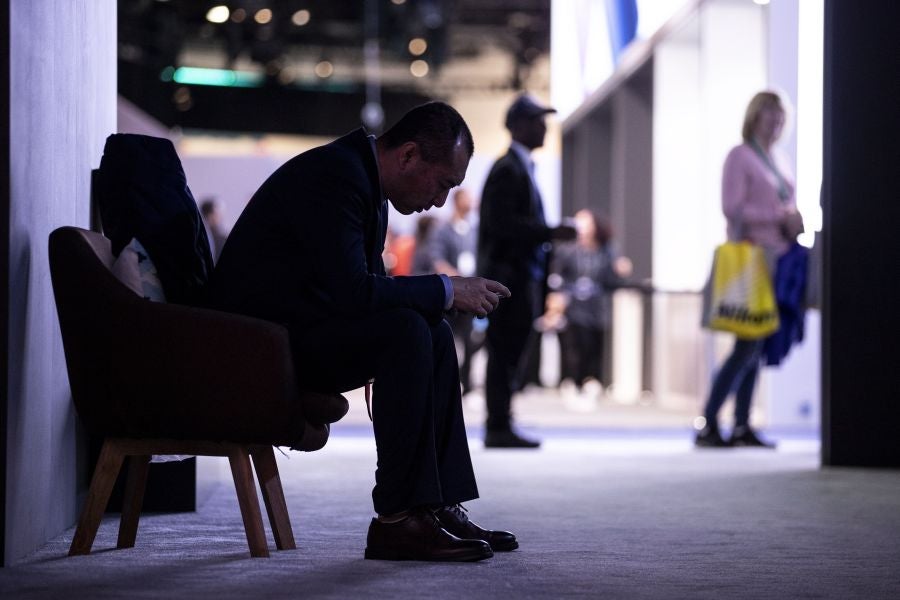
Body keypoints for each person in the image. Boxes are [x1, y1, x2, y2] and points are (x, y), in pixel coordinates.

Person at [209, 102, 516, 562]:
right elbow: (354, 293)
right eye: (443, 183)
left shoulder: (360, 176)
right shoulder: (337, 177)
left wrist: (440, 297)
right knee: (408, 330)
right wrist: (447, 288)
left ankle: (434, 505)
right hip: (260, 348)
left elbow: (358, 291)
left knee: (429, 328)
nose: (440, 201)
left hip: (291, 332)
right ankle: (397, 521)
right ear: (409, 156)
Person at [695, 91, 804, 449]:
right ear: (754, 117)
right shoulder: (740, 156)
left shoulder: (779, 159)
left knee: (757, 345)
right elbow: (732, 208)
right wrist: (779, 217)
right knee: (747, 343)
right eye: (769, 115)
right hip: (752, 260)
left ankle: (742, 424)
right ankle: (709, 422)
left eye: (780, 116)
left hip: (779, 259)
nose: (775, 122)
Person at [477, 94, 577, 448]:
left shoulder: (519, 168)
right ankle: (498, 425)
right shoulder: (508, 169)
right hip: (509, 279)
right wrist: (551, 231)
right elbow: (502, 225)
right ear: (517, 126)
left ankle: (502, 422)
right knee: (504, 351)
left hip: (518, 278)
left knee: (509, 352)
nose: (544, 127)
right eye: (537, 121)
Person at [550, 209, 631, 400]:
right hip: (573, 307)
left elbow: (612, 281)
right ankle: (573, 381)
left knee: (594, 346)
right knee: (574, 346)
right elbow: (558, 276)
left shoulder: (607, 250)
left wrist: (620, 271)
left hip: (597, 307)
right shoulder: (567, 249)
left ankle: (592, 380)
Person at [427, 188, 482, 395]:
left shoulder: (474, 230)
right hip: (451, 293)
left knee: (471, 340)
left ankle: (467, 384)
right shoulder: (443, 229)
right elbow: (437, 259)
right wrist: (455, 279)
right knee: (446, 338)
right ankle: (443, 382)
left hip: (471, 291)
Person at [199, 197, 229, 262]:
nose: (220, 217)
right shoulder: (203, 237)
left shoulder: (222, 237)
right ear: (210, 216)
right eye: (217, 214)